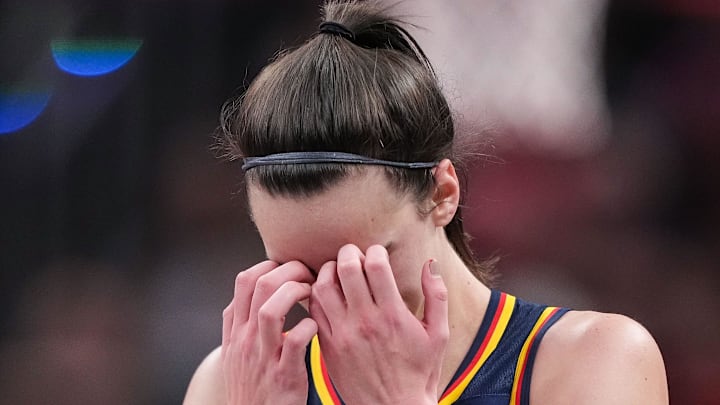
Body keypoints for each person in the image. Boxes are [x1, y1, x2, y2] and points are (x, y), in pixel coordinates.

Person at [184, 1, 669, 403]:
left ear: (442, 194)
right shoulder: (232, 384)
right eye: (300, 273)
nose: (336, 300)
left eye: (363, 268)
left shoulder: (596, 360)